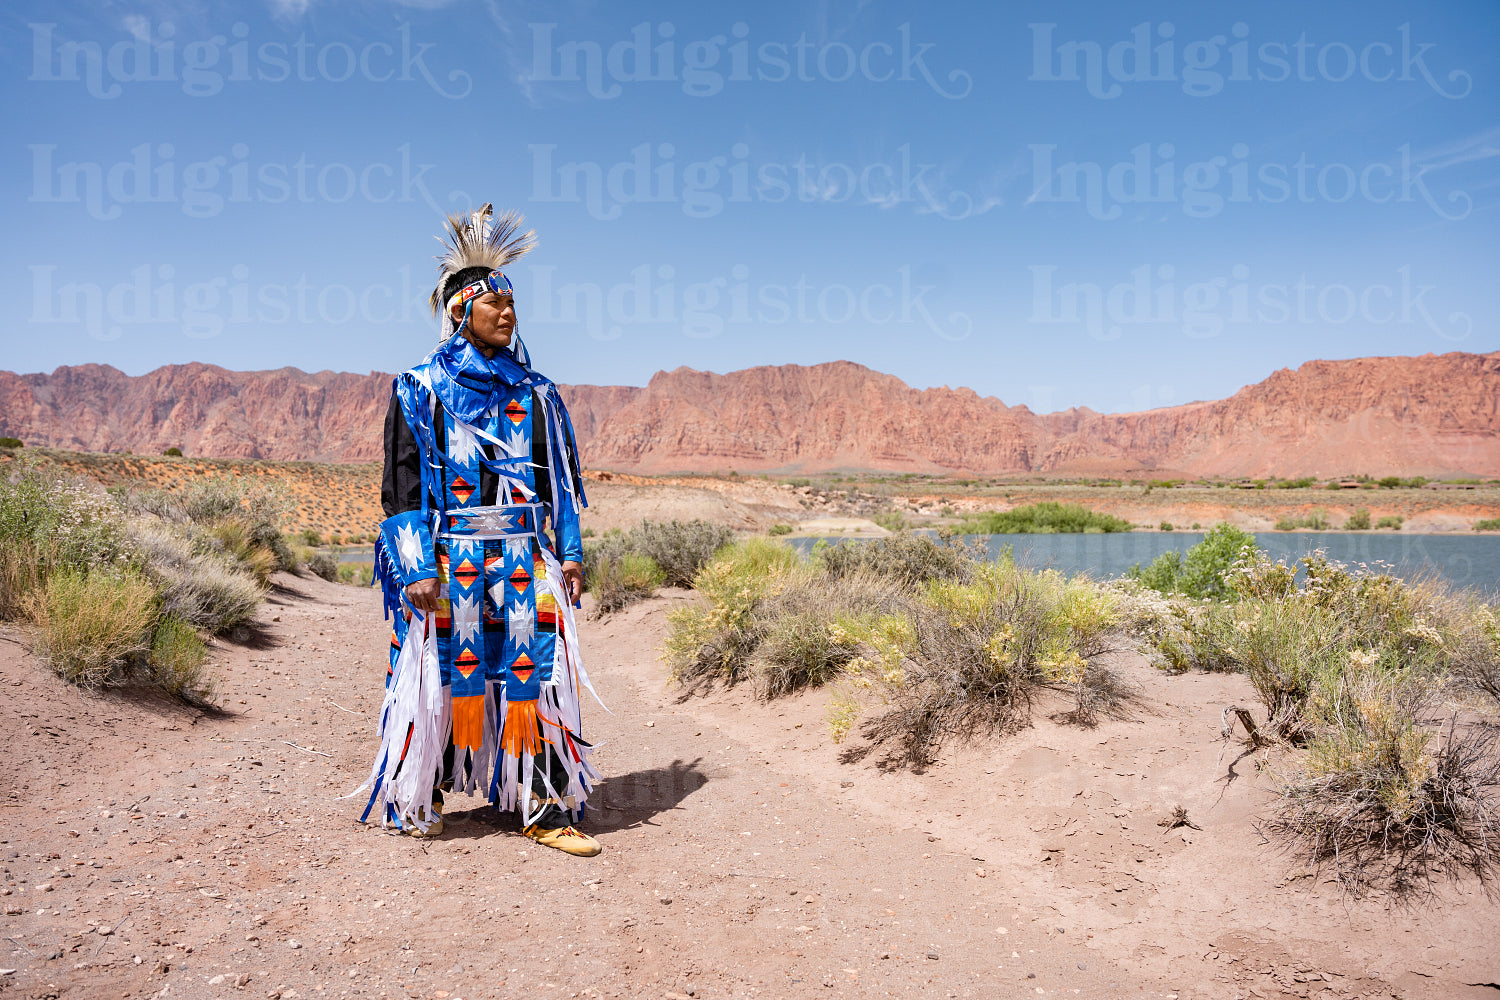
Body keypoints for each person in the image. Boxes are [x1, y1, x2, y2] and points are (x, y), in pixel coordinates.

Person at [355, 205, 602, 857]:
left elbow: (557, 480)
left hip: (526, 558)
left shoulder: (537, 394)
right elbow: (401, 485)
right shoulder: (420, 392)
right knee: (440, 679)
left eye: (513, 303)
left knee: (536, 676)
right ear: (462, 310)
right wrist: (415, 567)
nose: (508, 313)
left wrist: (570, 553)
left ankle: (544, 808)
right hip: (451, 560)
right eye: (494, 302)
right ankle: (421, 795)